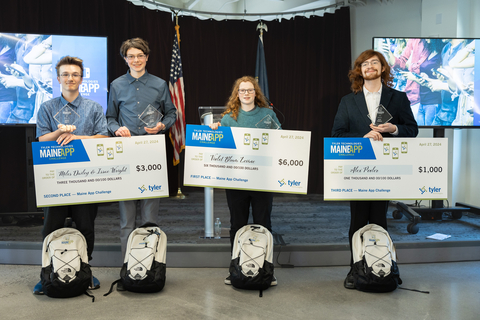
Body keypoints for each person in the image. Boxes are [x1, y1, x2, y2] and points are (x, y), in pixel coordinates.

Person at [331, 50, 418, 289]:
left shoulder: (398, 98)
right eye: (364, 64)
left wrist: (393, 129)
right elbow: (336, 134)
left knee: (380, 220)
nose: (369, 66)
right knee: (357, 221)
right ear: (359, 70)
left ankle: (383, 268)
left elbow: (412, 129)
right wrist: (363, 134)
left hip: (385, 169)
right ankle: (355, 269)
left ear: (383, 68)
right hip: (358, 169)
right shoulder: (348, 101)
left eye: (374, 62)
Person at [33, 56, 109, 294]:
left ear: (82, 78)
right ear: (58, 79)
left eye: (75, 74)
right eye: (65, 74)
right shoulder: (47, 107)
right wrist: (59, 132)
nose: (70, 78)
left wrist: (78, 138)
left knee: (86, 227)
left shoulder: (94, 108)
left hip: (86, 179)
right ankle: (47, 272)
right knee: (51, 228)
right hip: (55, 179)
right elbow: (40, 139)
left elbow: (104, 137)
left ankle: (85, 271)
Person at [106, 38, 176, 287]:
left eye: (139, 55)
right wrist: (116, 130)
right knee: (127, 219)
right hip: (126, 154)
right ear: (125, 58)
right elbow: (109, 117)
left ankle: (148, 266)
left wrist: (161, 126)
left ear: (147, 57)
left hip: (151, 154)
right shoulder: (116, 85)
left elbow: (171, 113)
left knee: (149, 217)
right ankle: (128, 267)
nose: (135, 60)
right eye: (130, 56)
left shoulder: (159, 84)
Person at [209, 75, 281, 286]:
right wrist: (215, 130)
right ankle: (236, 268)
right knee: (237, 225)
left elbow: (281, 139)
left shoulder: (268, 115)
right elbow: (221, 146)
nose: (246, 94)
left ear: (255, 93)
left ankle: (266, 269)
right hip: (237, 181)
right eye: (242, 90)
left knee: (263, 224)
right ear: (237, 94)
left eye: (250, 90)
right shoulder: (229, 117)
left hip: (262, 180)